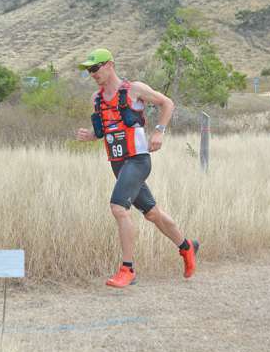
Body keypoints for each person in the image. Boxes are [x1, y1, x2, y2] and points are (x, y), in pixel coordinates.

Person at [75, 48, 199, 288]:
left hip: (138, 160)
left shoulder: (134, 89)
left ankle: (127, 269)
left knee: (118, 208)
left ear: (109, 64)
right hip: (118, 164)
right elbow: (102, 132)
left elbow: (167, 103)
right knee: (152, 213)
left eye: (95, 68)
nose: (92, 74)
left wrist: (159, 132)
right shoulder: (96, 99)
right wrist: (89, 136)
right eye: (89, 70)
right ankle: (187, 247)